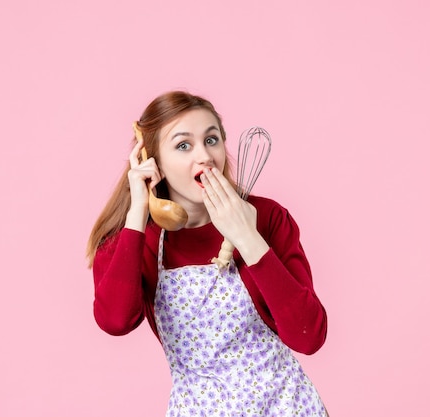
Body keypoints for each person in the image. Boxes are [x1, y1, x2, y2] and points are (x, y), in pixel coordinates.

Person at [87, 91, 328, 416]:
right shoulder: (136, 238)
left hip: (287, 407)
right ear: (150, 159)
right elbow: (115, 321)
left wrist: (248, 237)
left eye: (211, 140)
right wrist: (139, 210)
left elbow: (309, 336)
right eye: (184, 145)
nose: (205, 156)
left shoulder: (267, 218)